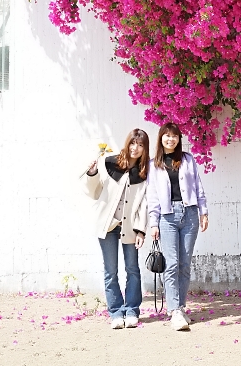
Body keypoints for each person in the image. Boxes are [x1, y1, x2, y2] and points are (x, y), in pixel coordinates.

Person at [83, 128, 149, 329]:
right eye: (132, 143)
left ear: (144, 148)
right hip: (107, 224)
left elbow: (144, 204)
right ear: (127, 143)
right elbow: (94, 192)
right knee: (110, 271)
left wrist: (141, 230)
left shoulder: (145, 173)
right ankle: (115, 313)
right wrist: (92, 173)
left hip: (129, 226)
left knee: (133, 269)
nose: (135, 148)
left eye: (140, 145)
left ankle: (131, 311)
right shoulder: (109, 162)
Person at [148, 123, 208, 331]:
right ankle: (174, 311)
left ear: (179, 139)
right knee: (172, 264)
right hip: (167, 217)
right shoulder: (153, 164)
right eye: (167, 136)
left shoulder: (187, 159)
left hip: (190, 214)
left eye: (174, 136)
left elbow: (197, 186)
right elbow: (153, 196)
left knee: (184, 264)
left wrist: (204, 211)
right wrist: (153, 222)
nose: (170, 139)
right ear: (161, 138)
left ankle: (181, 307)